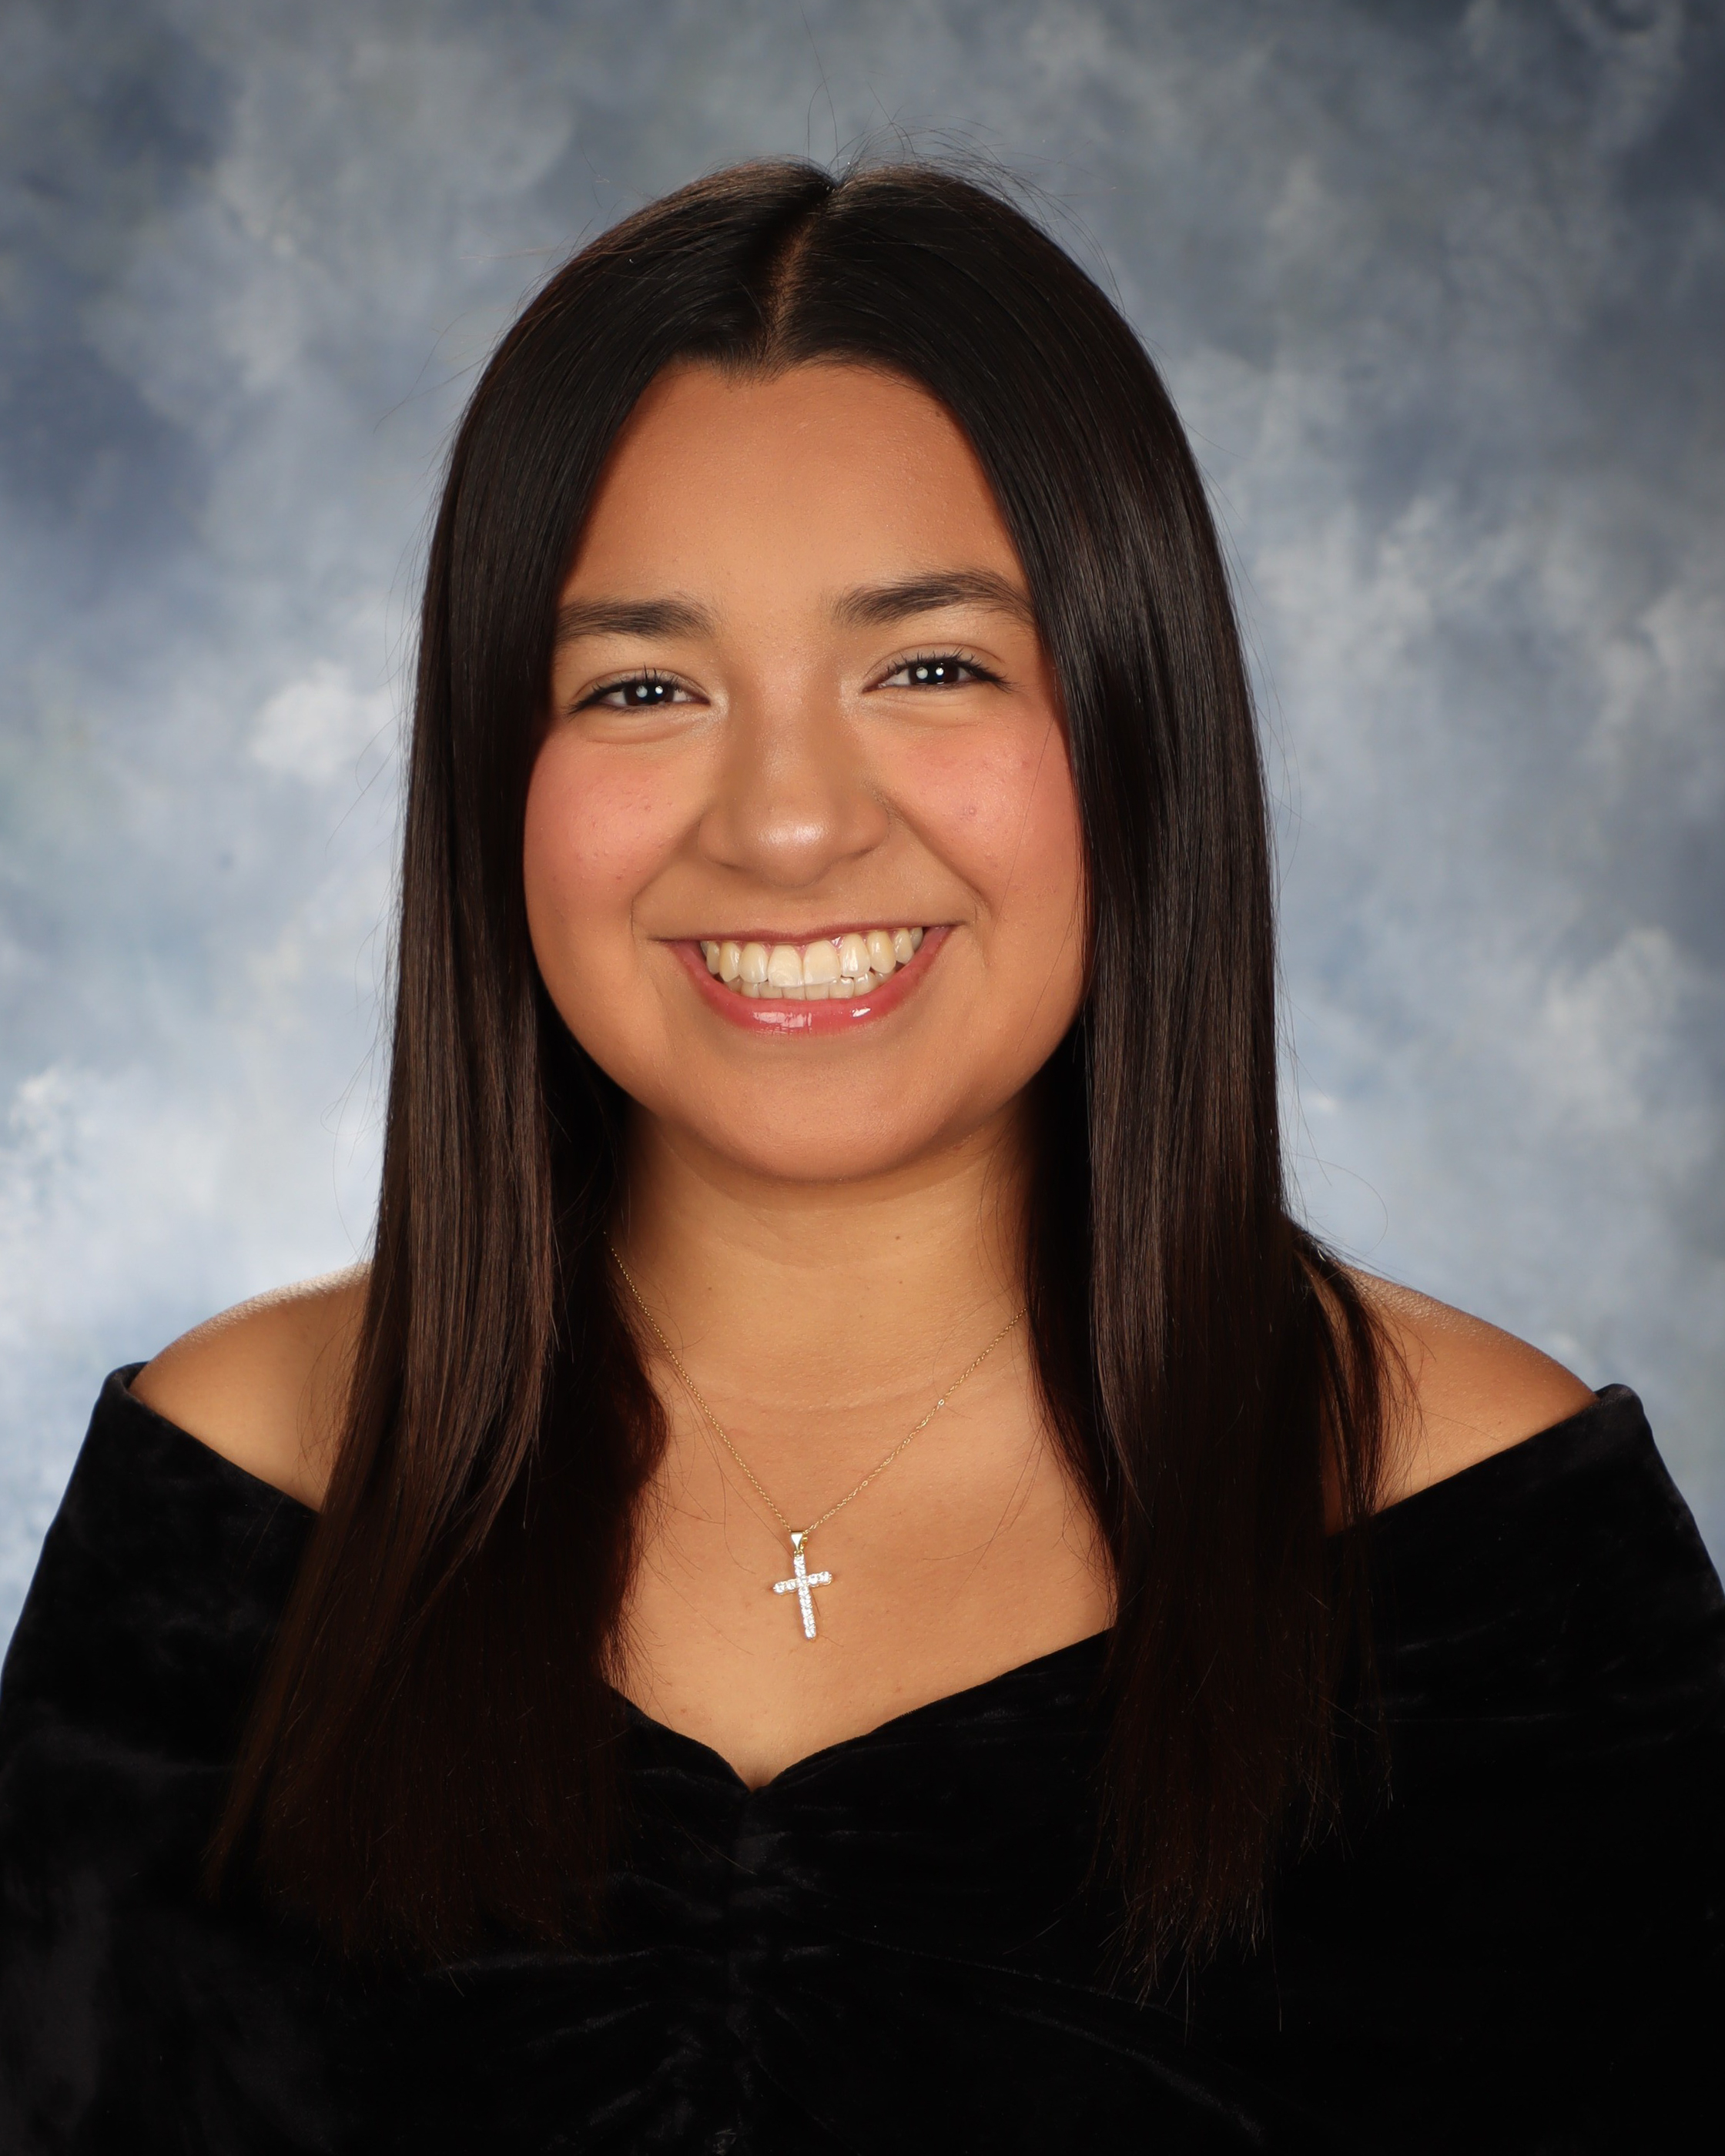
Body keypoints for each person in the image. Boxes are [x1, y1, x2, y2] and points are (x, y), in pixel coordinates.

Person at [1, 158, 1720, 2154]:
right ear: (492, 775)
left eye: (931, 667)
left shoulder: (1489, 1547)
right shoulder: (241, 1497)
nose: (789, 821)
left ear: (1138, 726)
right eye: (645, 686)